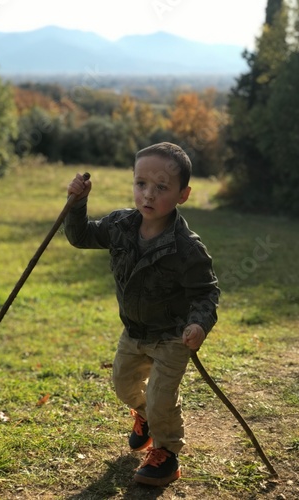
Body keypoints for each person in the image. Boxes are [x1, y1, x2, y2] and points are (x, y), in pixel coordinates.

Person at [64, 142, 220, 487]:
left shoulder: (187, 248)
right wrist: (76, 204)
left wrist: (199, 323)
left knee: (161, 396)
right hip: (133, 332)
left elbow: (206, 292)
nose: (148, 195)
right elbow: (80, 236)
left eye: (161, 187)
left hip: (172, 336)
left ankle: (166, 453)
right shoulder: (121, 225)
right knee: (122, 385)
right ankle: (146, 418)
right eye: (141, 184)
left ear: (184, 194)